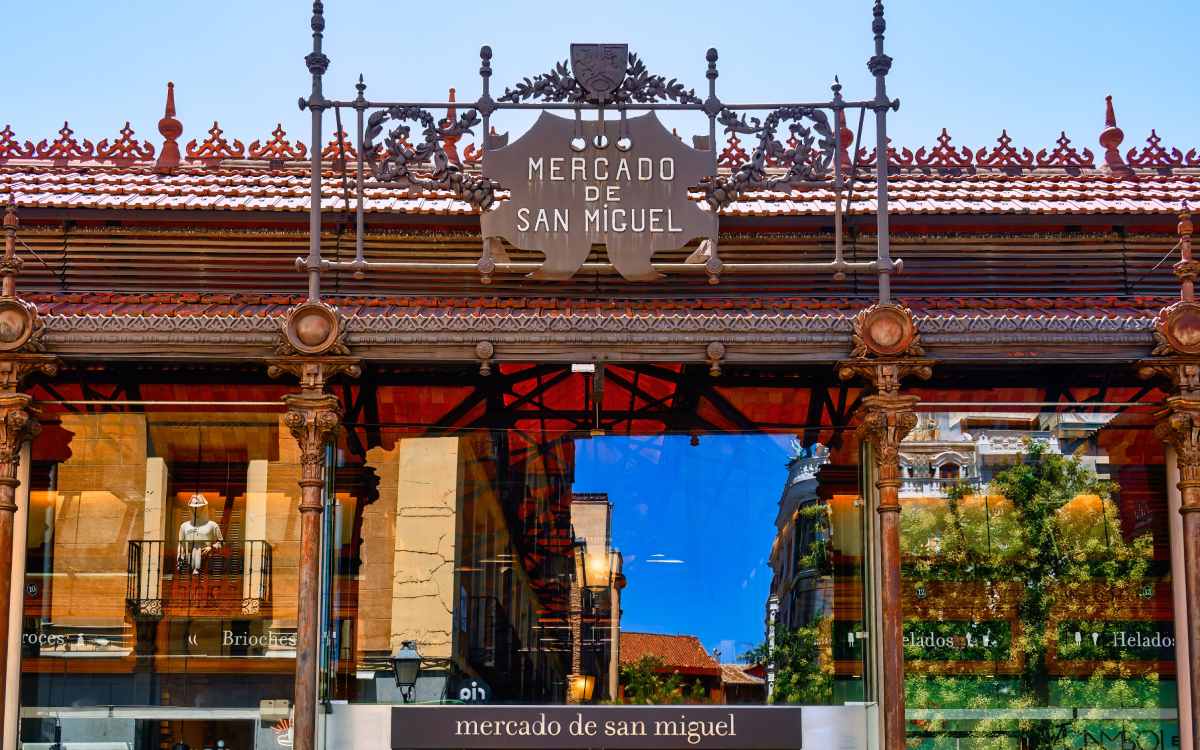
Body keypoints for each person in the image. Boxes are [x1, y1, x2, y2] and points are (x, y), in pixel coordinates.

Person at [177, 493, 223, 574]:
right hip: (188, 562)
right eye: (194, 508)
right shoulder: (184, 526)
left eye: (199, 508)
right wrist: (179, 559)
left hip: (207, 561)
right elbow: (180, 544)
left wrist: (211, 547)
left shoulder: (212, 525)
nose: (196, 510)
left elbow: (221, 542)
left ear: (204, 508)